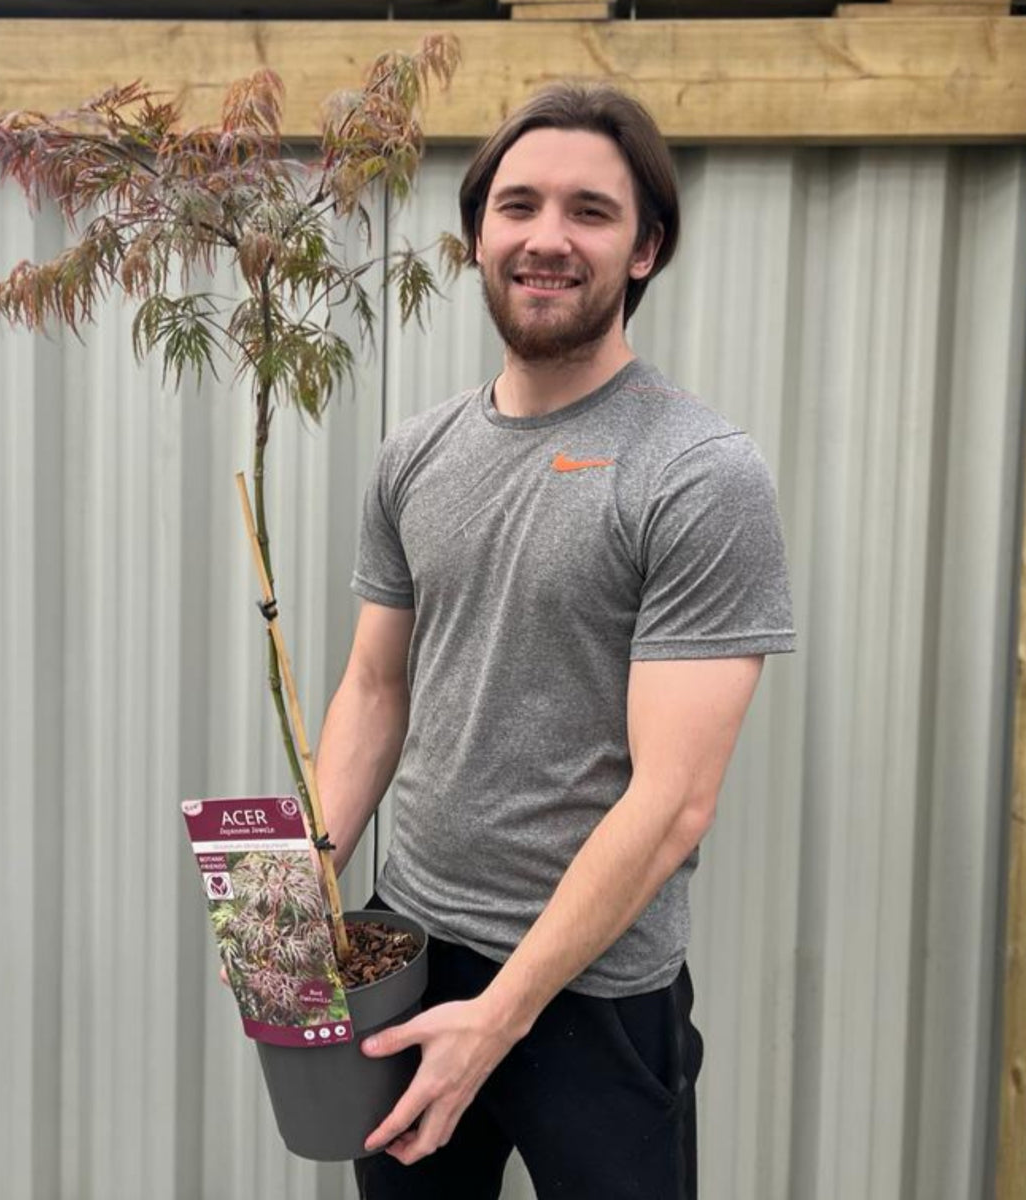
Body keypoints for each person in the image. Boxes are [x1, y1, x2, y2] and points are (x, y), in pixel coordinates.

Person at [314, 83, 795, 1200]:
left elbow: (675, 800)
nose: (546, 238)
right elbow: (376, 690)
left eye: (589, 211)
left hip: (596, 994)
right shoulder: (415, 454)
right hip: (413, 957)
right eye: (518, 205)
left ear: (644, 248)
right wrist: (305, 886)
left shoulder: (698, 472)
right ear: (478, 235)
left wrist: (502, 1015)